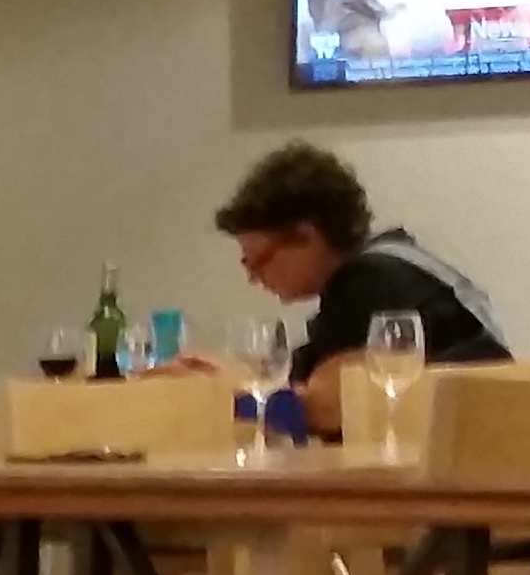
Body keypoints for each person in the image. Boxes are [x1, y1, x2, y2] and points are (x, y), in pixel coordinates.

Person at [208, 142, 508, 436]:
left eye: (257, 261)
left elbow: (330, 407)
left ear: (304, 236)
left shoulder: (371, 279)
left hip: (469, 450)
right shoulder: (399, 263)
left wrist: (234, 394)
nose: (253, 278)